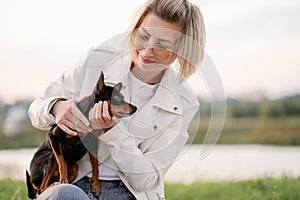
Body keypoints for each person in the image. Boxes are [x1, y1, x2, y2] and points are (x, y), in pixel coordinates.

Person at [28, 0, 206, 199]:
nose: (147, 51)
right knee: (63, 193)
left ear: (182, 51)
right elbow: (37, 108)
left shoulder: (184, 102)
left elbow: (146, 181)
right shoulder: (95, 60)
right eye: (143, 36)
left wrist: (115, 133)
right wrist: (56, 107)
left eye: (162, 46)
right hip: (72, 183)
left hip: (129, 193)